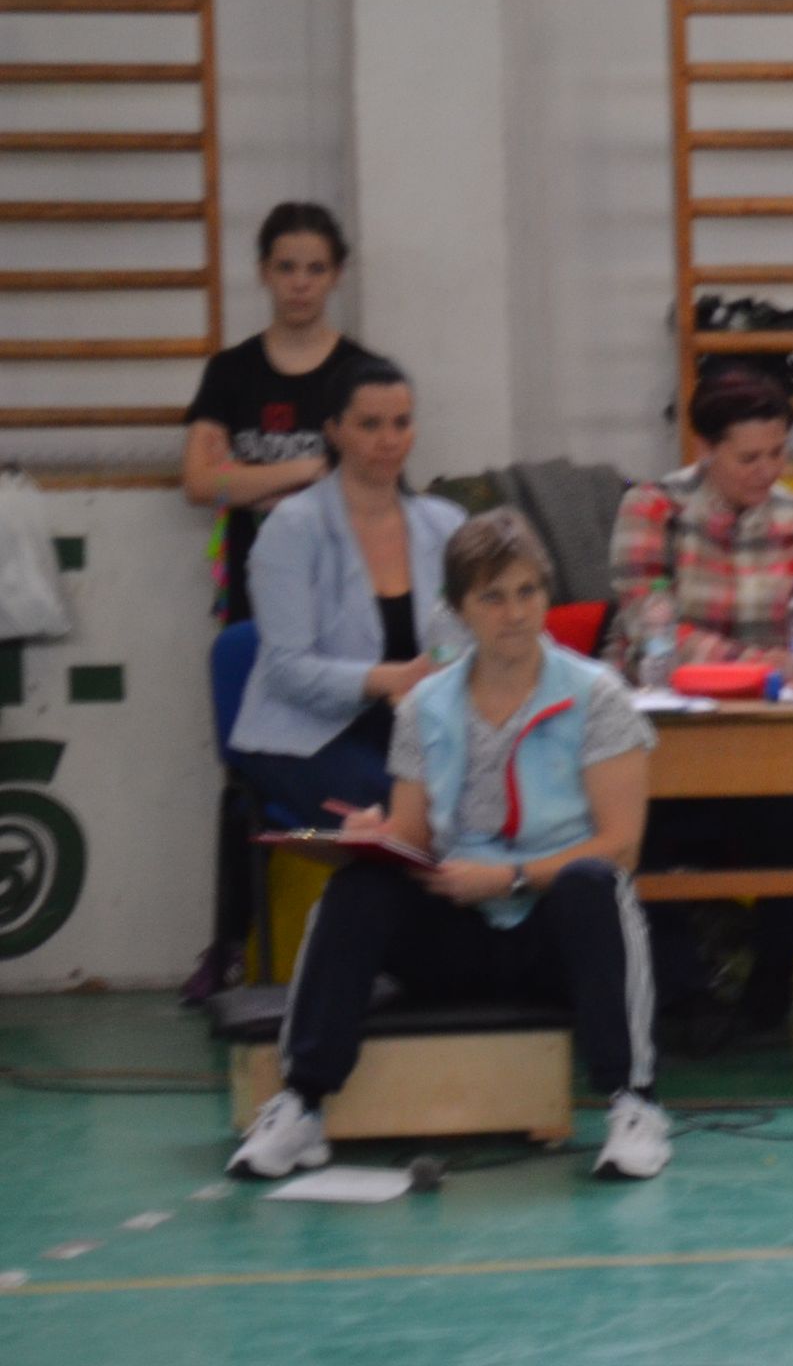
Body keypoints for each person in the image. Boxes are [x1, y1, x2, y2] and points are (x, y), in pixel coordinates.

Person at [227, 510, 669, 1182]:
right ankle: (302, 1105)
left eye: (527, 592)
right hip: (456, 927)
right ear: (459, 610)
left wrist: (510, 878)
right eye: (492, 597)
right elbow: (414, 835)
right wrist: (376, 838)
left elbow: (621, 846)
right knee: (359, 888)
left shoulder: (597, 696)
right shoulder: (424, 704)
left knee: (595, 884)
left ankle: (634, 1104)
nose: (514, 614)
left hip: (552, 931)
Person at [606, 369, 793, 1043]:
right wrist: (755, 662)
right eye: (748, 458)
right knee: (635, 838)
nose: (767, 470)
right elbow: (650, 626)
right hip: (663, 748)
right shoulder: (654, 508)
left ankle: (770, 993)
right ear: (705, 448)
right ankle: (682, 997)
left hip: (766, 744)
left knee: (788, 831)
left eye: (778, 453)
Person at [179, 201, 377, 1003]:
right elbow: (201, 480)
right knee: (248, 768)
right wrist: (303, 472)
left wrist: (250, 480)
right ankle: (229, 944)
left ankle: (380, 934)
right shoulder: (231, 373)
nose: (300, 283)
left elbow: (368, 480)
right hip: (256, 606)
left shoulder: (361, 374)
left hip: (344, 609)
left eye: (315, 269)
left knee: (356, 760)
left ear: (336, 275)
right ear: (264, 272)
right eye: (286, 267)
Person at [227, 357, 466, 831]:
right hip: (303, 735)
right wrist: (390, 679)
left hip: (414, 725)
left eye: (401, 423)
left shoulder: (447, 524)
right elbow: (286, 670)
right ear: (333, 431)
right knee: (404, 819)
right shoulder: (292, 528)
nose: (389, 440)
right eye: (370, 425)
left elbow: (471, 638)